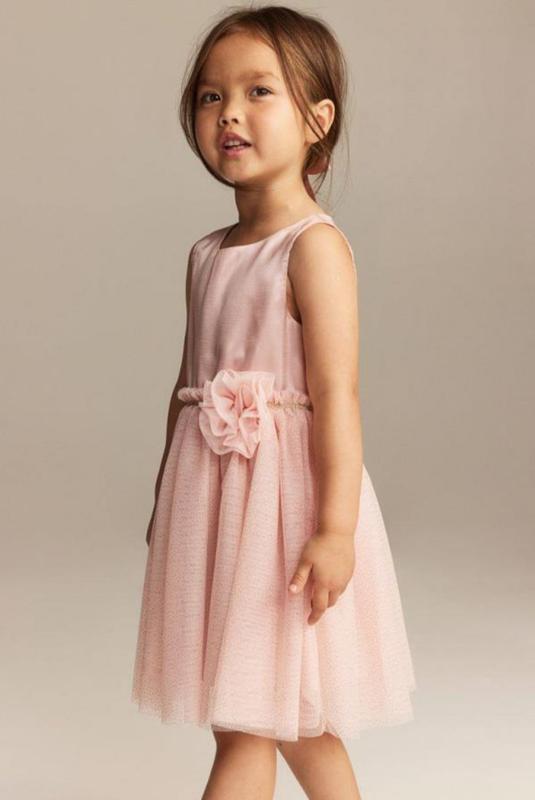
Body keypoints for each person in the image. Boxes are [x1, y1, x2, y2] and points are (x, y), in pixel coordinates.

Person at [131, 6, 416, 799]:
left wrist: (334, 530)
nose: (229, 113)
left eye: (259, 92)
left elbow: (335, 395)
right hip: (213, 508)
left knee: (250, 719)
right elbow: (186, 388)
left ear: (317, 120)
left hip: (283, 509)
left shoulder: (312, 247)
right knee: (287, 718)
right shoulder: (205, 255)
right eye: (210, 96)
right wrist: (165, 501)